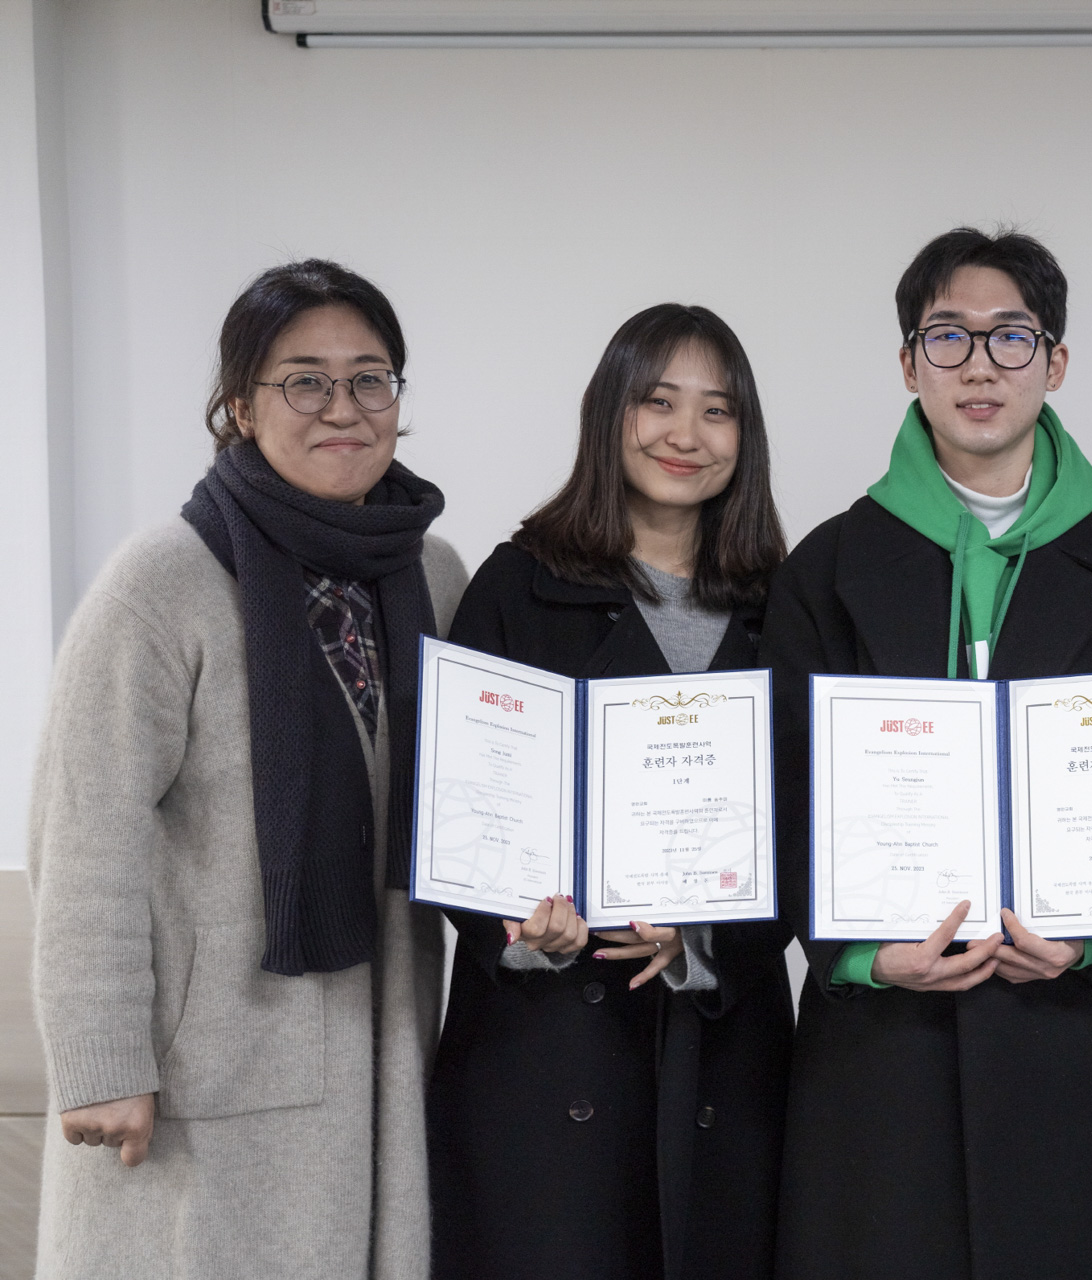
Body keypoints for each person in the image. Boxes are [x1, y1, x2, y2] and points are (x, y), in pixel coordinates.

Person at [762, 227, 1092, 1280]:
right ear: (909, 363)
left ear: (1055, 361)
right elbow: (782, 790)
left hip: (1084, 1025)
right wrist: (860, 957)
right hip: (888, 1037)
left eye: (1010, 336)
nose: (979, 365)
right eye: (948, 336)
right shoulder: (829, 567)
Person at [28, 259, 466, 1279]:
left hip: (381, 1041)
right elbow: (84, 838)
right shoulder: (161, 583)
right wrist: (102, 1062)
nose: (343, 408)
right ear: (238, 404)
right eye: (304, 380)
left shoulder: (432, 573)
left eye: (369, 379)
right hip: (206, 1068)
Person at [427, 304, 793, 1280]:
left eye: (717, 410)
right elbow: (460, 801)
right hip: (551, 1051)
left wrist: (703, 939)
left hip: (725, 1047)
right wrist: (517, 924)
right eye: (657, 401)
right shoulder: (516, 585)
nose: (686, 434)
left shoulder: (786, 603)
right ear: (609, 413)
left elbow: (817, 828)